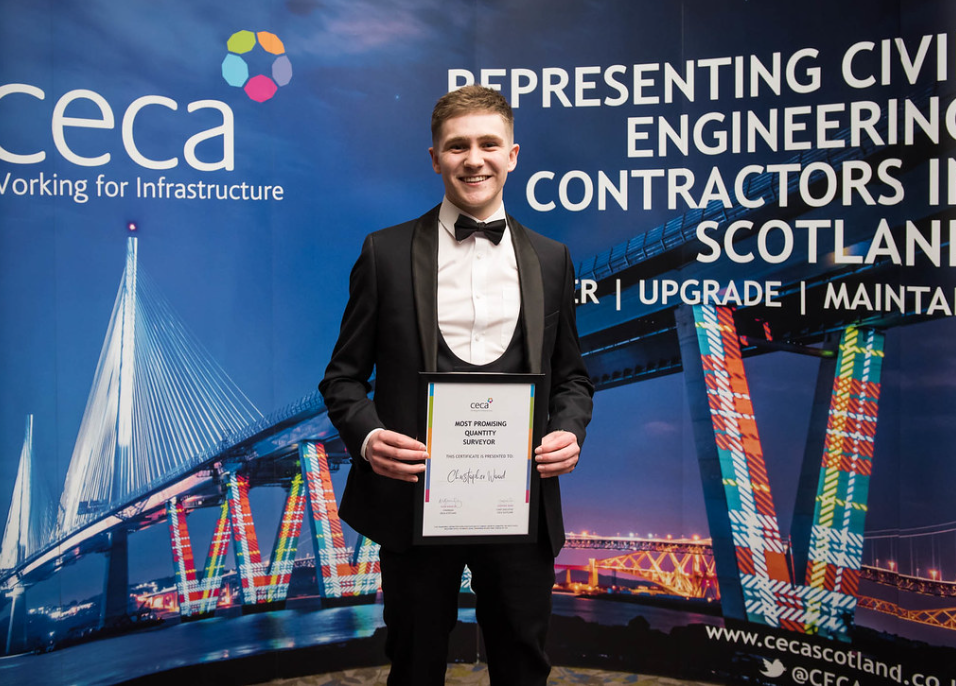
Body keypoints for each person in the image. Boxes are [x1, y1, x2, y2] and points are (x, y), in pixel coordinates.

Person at [319, 84, 594, 686]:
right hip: (413, 504)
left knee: (523, 669)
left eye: (488, 144)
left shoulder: (553, 258)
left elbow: (572, 377)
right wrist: (369, 439)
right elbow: (342, 378)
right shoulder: (384, 253)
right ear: (435, 158)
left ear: (512, 154)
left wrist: (569, 430)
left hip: (520, 508)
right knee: (414, 668)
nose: (474, 159)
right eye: (457, 146)